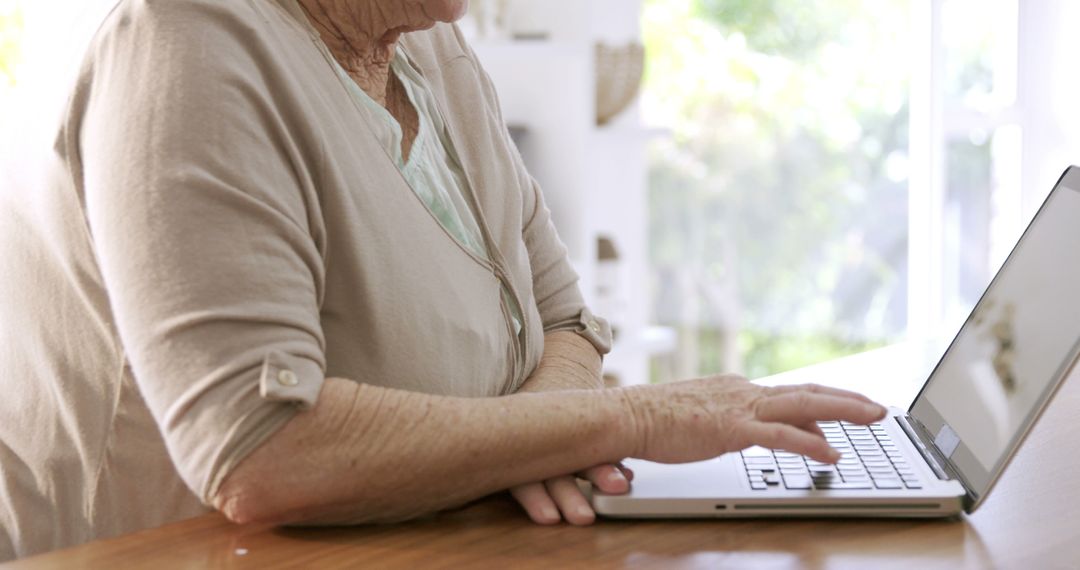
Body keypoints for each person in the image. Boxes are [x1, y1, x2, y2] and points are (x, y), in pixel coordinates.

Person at [0, 0, 887, 561]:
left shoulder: (431, 45)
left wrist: (537, 437)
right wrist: (629, 420)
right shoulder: (176, 39)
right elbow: (261, 451)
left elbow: (565, 319)